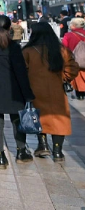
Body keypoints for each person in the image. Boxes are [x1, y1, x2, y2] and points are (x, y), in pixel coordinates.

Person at [0, 16, 35, 169]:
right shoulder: (14, 47)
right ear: (10, 27)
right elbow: (21, 72)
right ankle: (21, 152)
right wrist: (28, 94)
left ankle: (0, 157)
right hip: (13, 89)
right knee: (17, 121)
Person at [23, 23, 80, 161]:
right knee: (59, 120)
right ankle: (58, 151)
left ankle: (42, 145)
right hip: (57, 90)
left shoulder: (28, 51)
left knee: (39, 117)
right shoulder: (61, 49)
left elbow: (22, 70)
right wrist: (64, 78)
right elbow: (72, 68)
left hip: (35, 89)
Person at [62, 17, 85, 100]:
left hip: (75, 60)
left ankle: (80, 94)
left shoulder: (68, 35)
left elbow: (64, 48)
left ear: (74, 25)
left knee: (78, 77)